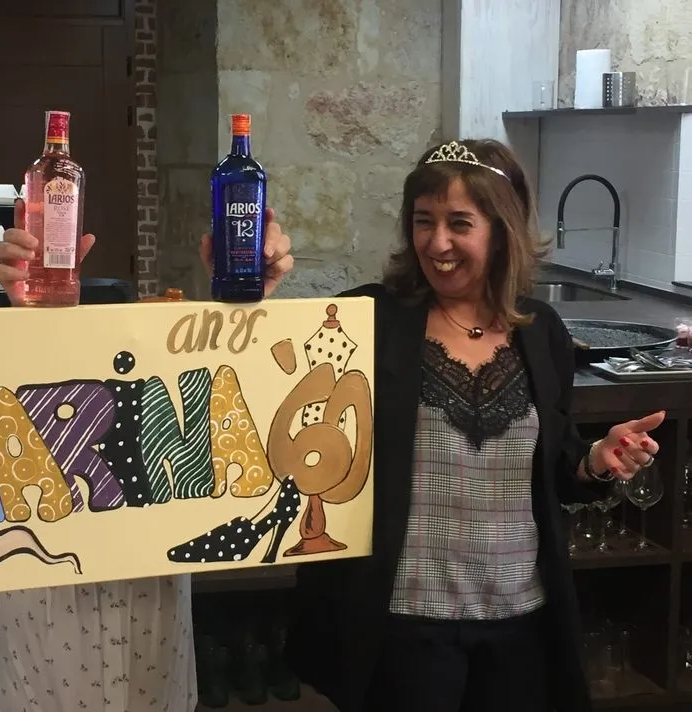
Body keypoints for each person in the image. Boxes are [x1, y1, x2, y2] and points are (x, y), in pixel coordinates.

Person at [270, 139, 664, 712]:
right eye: (423, 221)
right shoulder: (371, 320)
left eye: (459, 223)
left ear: (501, 231)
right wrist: (248, 287)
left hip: (520, 619)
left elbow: (554, 469)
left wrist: (595, 461)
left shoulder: (542, 331)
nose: (437, 243)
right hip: (403, 623)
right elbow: (260, 366)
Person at [0, 200, 293, 712]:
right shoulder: (15, 407)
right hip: (43, 638)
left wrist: (243, 306)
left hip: (155, 634)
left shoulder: (171, 411)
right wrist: (27, 322)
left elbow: (239, 415)